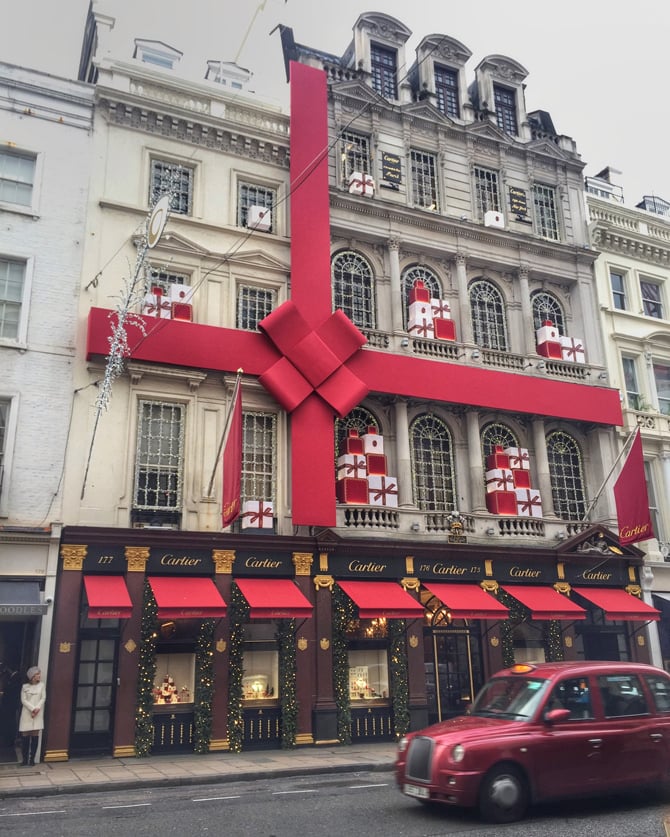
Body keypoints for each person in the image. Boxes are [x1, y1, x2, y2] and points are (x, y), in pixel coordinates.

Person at [19, 666, 45, 766]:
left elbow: (43, 698)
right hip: (27, 713)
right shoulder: (25, 687)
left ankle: (32, 759)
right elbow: (23, 700)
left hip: (37, 714)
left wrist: (37, 708)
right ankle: (24, 759)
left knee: (35, 736)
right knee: (25, 736)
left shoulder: (42, 685)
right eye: (37, 674)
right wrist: (32, 709)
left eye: (39, 674)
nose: (39, 676)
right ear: (32, 676)